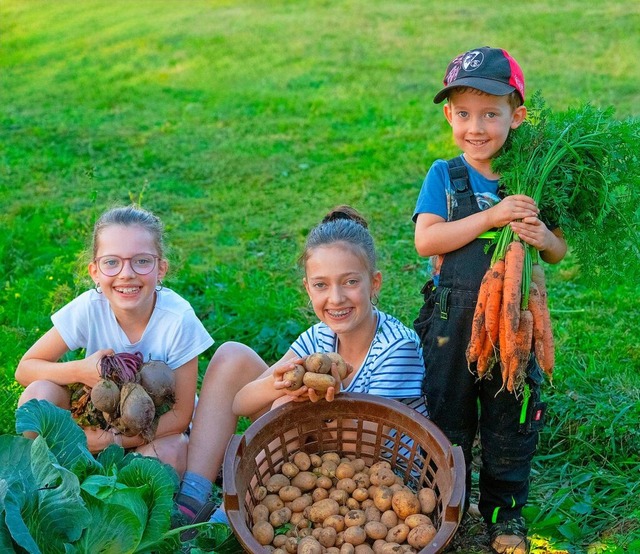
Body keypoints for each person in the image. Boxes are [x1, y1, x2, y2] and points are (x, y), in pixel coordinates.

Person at [175, 205, 426, 529]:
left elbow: (370, 441)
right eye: (321, 285)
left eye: (349, 282)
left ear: (374, 283)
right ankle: (191, 498)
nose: (335, 298)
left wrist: (297, 405)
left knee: (285, 408)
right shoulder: (319, 337)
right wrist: (275, 383)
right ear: (308, 289)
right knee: (231, 358)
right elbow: (240, 402)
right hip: (317, 457)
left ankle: (230, 515)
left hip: (379, 478)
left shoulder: (396, 348)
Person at [412, 47, 567, 554]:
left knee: (510, 426)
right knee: (448, 421)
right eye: (463, 114)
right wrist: (492, 217)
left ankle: (505, 516)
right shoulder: (445, 176)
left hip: (514, 325)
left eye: (491, 114)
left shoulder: (533, 178)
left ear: (516, 117)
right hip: (450, 324)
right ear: (448, 115)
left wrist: (541, 236)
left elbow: (559, 252)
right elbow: (427, 241)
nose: (475, 127)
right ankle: (444, 510)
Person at [15, 205, 214, 475]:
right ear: (94, 271)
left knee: (174, 450)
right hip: (97, 419)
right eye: (112, 262)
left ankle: (113, 484)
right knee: (38, 394)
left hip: (152, 431)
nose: (126, 273)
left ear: (161, 269)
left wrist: (111, 442)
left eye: (142, 261)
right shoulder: (90, 307)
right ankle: (40, 478)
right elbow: (25, 368)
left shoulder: (178, 320)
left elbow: (180, 416)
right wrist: (80, 371)